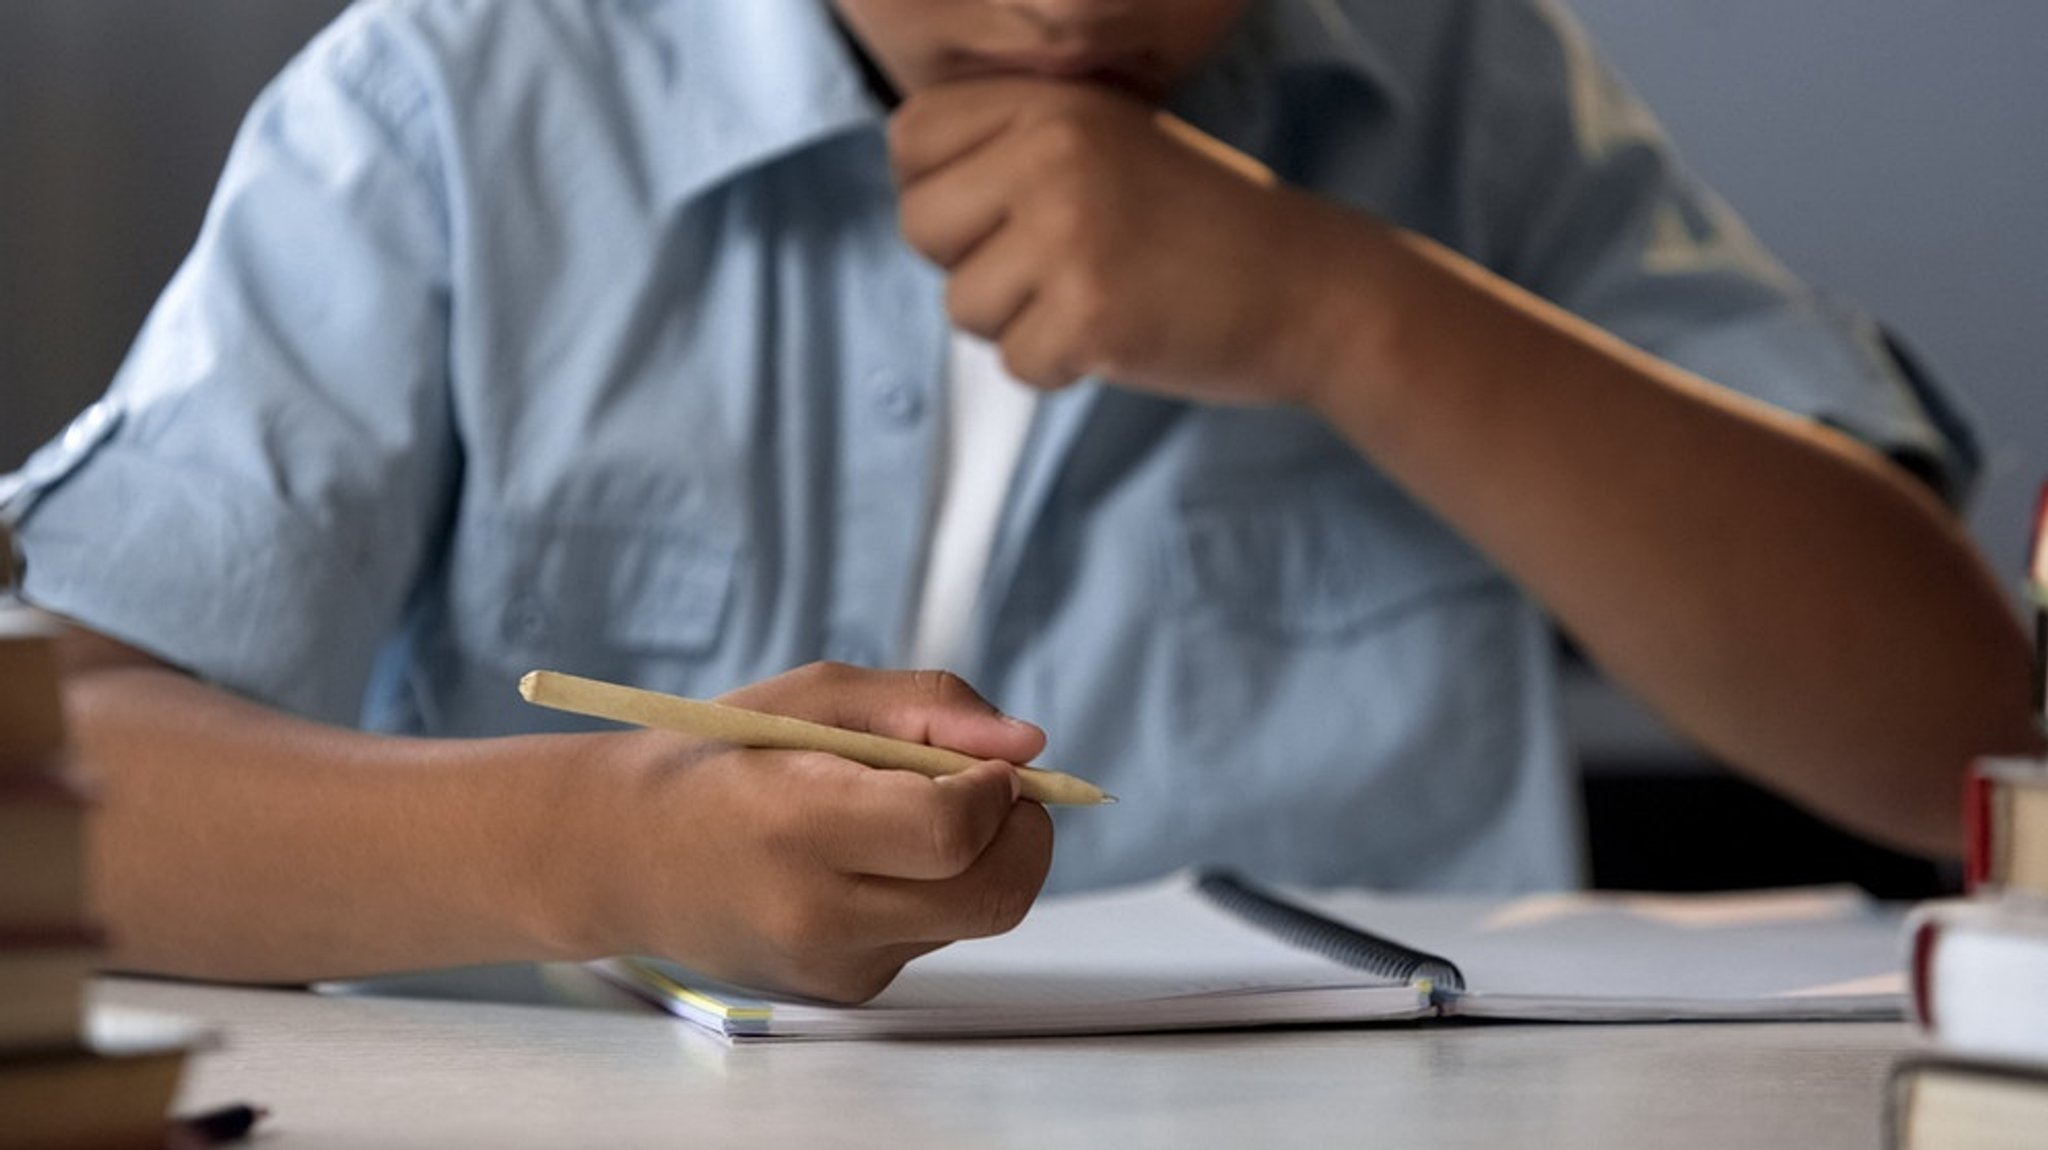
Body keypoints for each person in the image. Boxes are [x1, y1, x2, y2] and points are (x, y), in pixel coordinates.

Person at [2, 0, 2037, 1003]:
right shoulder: (462, 91)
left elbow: (1945, 731)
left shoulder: (1457, 86)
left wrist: (1359, 316)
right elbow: (53, 792)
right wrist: (592, 848)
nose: (1067, 8)